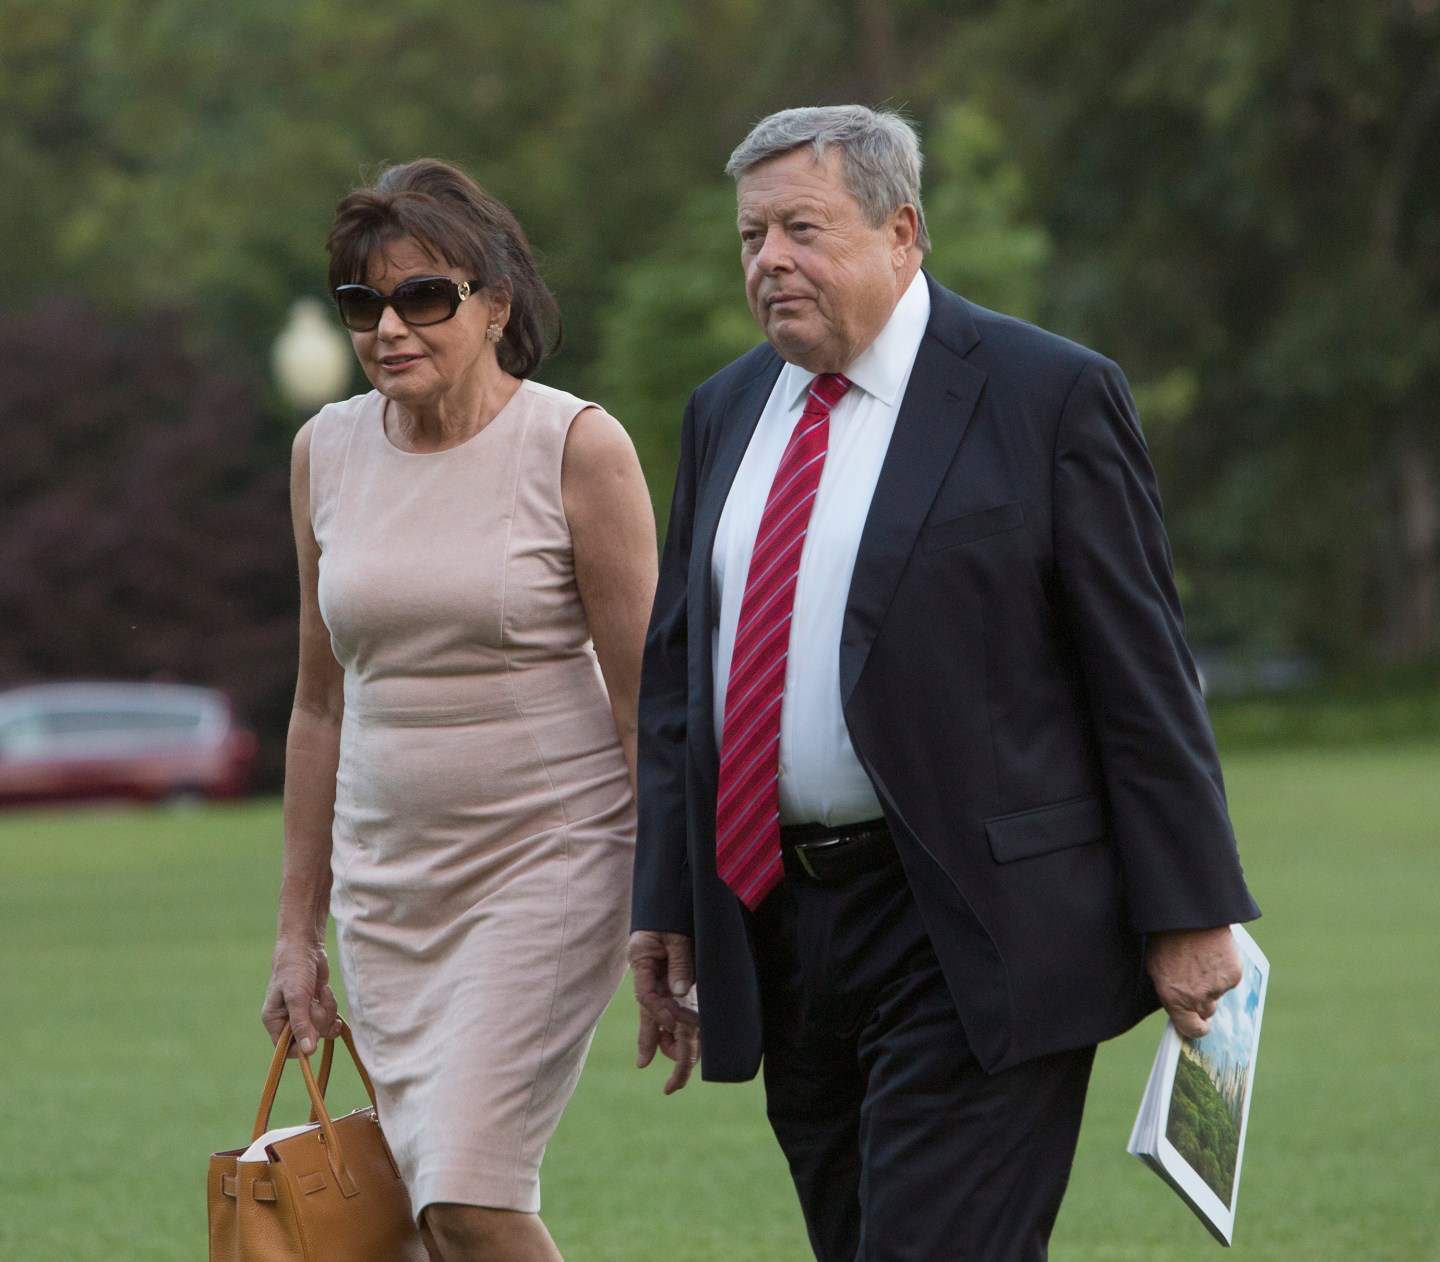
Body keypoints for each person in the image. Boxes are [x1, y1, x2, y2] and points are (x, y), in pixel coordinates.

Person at [628, 105, 1260, 1260]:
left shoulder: (1045, 394)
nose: (769, 261)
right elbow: (679, 683)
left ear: (903, 230)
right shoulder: (722, 412)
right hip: (785, 927)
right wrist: (666, 901)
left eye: (802, 230)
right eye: (751, 236)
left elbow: (1143, 671)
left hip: (976, 923)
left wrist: (1191, 907)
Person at [262, 158, 656, 1262]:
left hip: (552, 856)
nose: (389, 326)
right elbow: (318, 704)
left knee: (469, 1201)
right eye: (362, 303)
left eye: (422, 296)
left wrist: (672, 907)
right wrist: (297, 932)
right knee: (415, 1219)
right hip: (390, 885)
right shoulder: (325, 451)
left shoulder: (577, 446)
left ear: (496, 302)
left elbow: (644, 707)